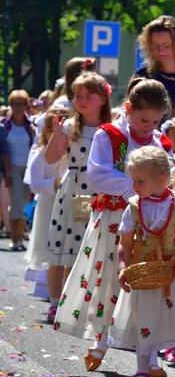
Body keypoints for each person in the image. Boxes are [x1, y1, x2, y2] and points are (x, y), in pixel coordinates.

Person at [54, 77, 173, 377]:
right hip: (114, 220)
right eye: (144, 119)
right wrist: (138, 188)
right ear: (128, 108)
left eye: (157, 120)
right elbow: (98, 176)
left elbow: (167, 177)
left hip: (151, 222)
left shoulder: (160, 141)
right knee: (111, 279)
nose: (150, 126)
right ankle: (101, 339)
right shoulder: (108, 135)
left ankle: (150, 354)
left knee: (149, 283)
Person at [111, 146, 175, 377]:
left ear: (161, 179)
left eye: (140, 181)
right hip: (145, 272)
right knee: (145, 318)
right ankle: (142, 369)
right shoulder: (134, 207)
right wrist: (123, 268)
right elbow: (124, 244)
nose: (135, 186)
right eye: (133, 180)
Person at [44, 71, 112, 324]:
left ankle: (80, 305)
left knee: (88, 250)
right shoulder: (71, 127)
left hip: (98, 191)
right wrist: (56, 133)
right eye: (78, 96)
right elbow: (51, 159)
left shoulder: (110, 128)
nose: (81, 101)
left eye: (88, 96)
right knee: (61, 250)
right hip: (73, 188)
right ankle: (54, 303)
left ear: (102, 99)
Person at [23, 105, 70, 285]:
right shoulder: (40, 153)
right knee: (49, 245)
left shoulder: (72, 153)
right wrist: (54, 184)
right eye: (50, 130)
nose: (55, 134)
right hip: (48, 204)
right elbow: (34, 185)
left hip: (68, 204)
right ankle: (48, 286)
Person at [2, 89, 34, 251]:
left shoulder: (31, 126)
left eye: (21, 104)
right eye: (15, 103)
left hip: (29, 168)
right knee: (15, 204)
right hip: (12, 167)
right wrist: (6, 173)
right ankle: (15, 238)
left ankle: (20, 237)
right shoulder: (4, 126)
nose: (18, 107)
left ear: (26, 105)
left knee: (23, 204)